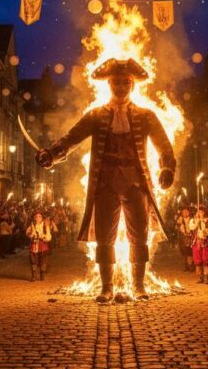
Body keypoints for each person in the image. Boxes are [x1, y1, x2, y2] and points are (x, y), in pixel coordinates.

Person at [35, 58, 175, 302]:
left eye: (125, 82)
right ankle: (106, 287)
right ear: (108, 85)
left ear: (133, 86)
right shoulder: (96, 115)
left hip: (136, 183)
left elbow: (164, 145)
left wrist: (166, 169)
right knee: (104, 237)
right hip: (105, 183)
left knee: (139, 236)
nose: (120, 86)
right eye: (116, 82)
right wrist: (51, 154)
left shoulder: (146, 115)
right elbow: (71, 138)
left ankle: (139, 286)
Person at [190, 205, 208, 284]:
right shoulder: (193, 220)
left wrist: (206, 231)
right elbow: (192, 228)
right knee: (198, 261)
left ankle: (206, 277)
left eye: (202, 211)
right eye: (199, 211)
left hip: (205, 242)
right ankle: (200, 277)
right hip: (196, 243)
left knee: (206, 260)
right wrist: (197, 221)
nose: (201, 213)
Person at [26, 211, 53, 281]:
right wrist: (31, 235)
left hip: (42, 246)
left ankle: (42, 275)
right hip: (34, 245)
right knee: (33, 261)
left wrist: (43, 237)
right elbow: (28, 233)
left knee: (43, 261)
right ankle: (34, 276)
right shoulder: (32, 225)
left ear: (42, 218)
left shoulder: (45, 226)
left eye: (39, 217)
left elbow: (49, 236)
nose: (38, 218)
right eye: (36, 217)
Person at [176, 206, 194, 271]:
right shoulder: (181, 219)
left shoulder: (192, 219)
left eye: (186, 211)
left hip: (192, 237)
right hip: (184, 237)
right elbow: (179, 227)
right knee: (185, 252)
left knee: (191, 252)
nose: (185, 213)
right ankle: (187, 266)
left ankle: (192, 265)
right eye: (183, 212)